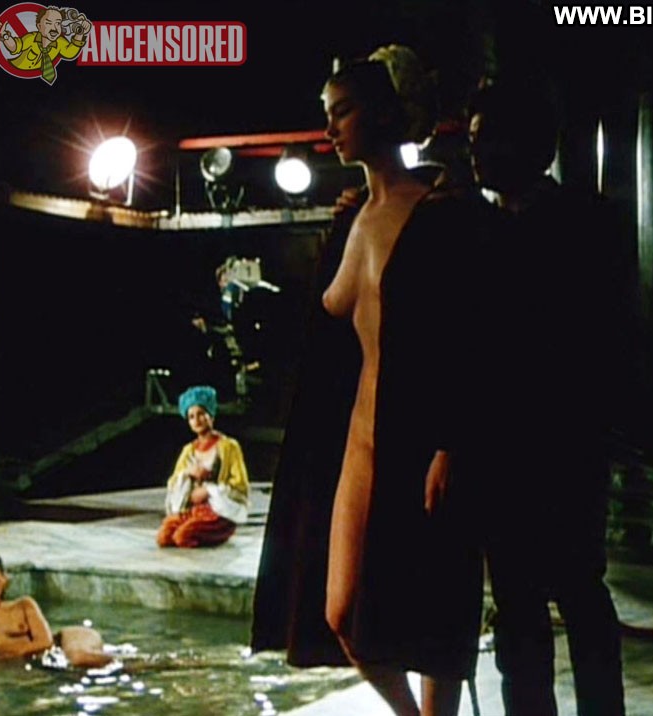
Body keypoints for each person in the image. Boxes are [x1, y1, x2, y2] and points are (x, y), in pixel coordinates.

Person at [251, 46, 484, 716]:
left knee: (436, 612)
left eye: (343, 111)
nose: (330, 128)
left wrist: (454, 444)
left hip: (422, 438)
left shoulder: (440, 212)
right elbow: (324, 336)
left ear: (382, 113)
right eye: (328, 113)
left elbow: (468, 339)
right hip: (352, 440)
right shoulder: (352, 216)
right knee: (341, 611)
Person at [458, 75, 633, 716]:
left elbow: (611, 340)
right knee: (517, 606)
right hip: (500, 449)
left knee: (581, 593)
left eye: (487, 140)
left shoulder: (589, 223)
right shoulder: (473, 227)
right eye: (472, 141)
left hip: (568, 444)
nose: (475, 154)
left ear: (531, 144)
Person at [156, 385, 250, 548]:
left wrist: (209, 491)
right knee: (164, 537)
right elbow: (173, 482)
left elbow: (240, 485)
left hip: (218, 512)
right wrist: (188, 473)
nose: (197, 420)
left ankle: (214, 536)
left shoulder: (228, 447)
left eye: (201, 414)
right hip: (193, 510)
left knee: (182, 537)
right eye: (191, 416)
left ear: (210, 415)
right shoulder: (189, 450)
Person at [0, 553, 113, 668]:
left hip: (70, 638)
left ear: (5, 580)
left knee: (77, 657)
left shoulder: (23, 605)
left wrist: (9, 654)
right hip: (50, 659)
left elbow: (45, 642)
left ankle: (124, 663)